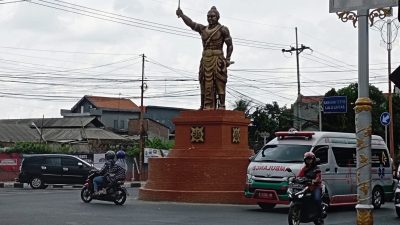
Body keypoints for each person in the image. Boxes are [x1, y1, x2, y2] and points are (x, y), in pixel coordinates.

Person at [176, 6, 233, 110]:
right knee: (203, 82)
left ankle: (222, 104)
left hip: (217, 59)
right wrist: (182, 15)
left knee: (219, 82)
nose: (210, 18)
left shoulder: (223, 29)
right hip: (205, 59)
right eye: (208, 16)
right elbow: (191, 24)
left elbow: (230, 45)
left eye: (213, 16)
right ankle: (203, 105)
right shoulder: (203, 29)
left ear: (217, 17)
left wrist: (228, 59)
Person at [297, 152, 323, 220]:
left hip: (316, 187)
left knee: (317, 199)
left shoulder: (317, 168)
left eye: (310, 159)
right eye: (307, 159)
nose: (308, 160)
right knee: (301, 196)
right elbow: (299, 176)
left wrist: (314, 181)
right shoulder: (304, 168)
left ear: (313, 160)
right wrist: (294, 179)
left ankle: (321, 213)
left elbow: (318, 177)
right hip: (307, 186)